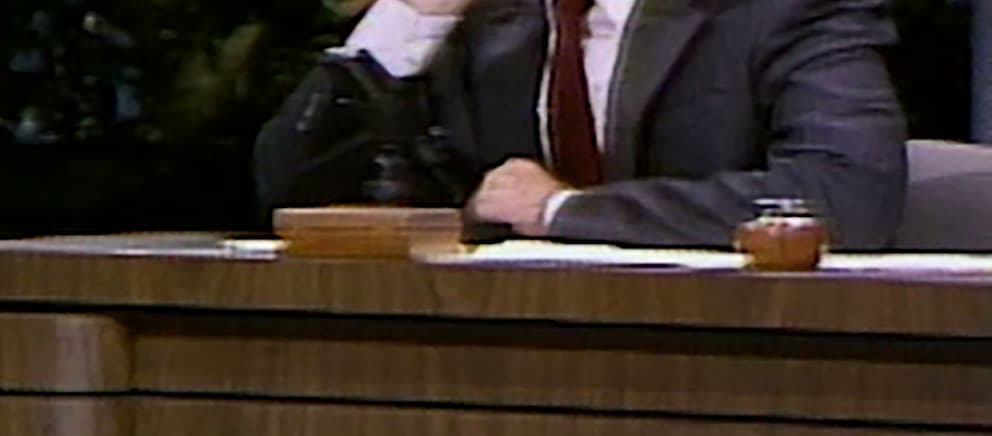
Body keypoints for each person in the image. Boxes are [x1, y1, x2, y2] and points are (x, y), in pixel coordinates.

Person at [256, 0, 909, 248]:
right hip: (503, 379)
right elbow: (293, 191)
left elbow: (846, 196)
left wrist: (563, 211)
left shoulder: (783, 10)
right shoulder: (493, 24)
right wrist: (412, 15)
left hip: (736, 367)